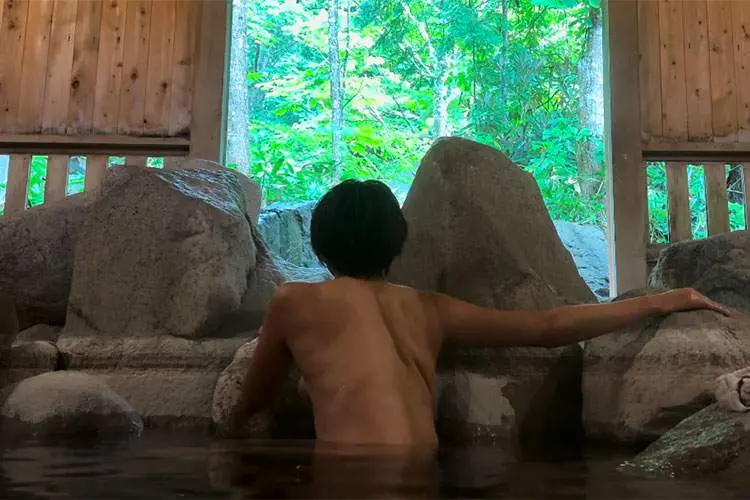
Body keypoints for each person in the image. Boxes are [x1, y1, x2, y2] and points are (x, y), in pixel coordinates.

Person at [231, 179, 732, 448]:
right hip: (422, 473)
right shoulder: (427, 308)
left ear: (320, 247)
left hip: (353, 478)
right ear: (396, 245)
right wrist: (662, 299)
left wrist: (231, 433)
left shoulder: (295, 301)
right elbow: (548, 327)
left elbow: (253, 398)